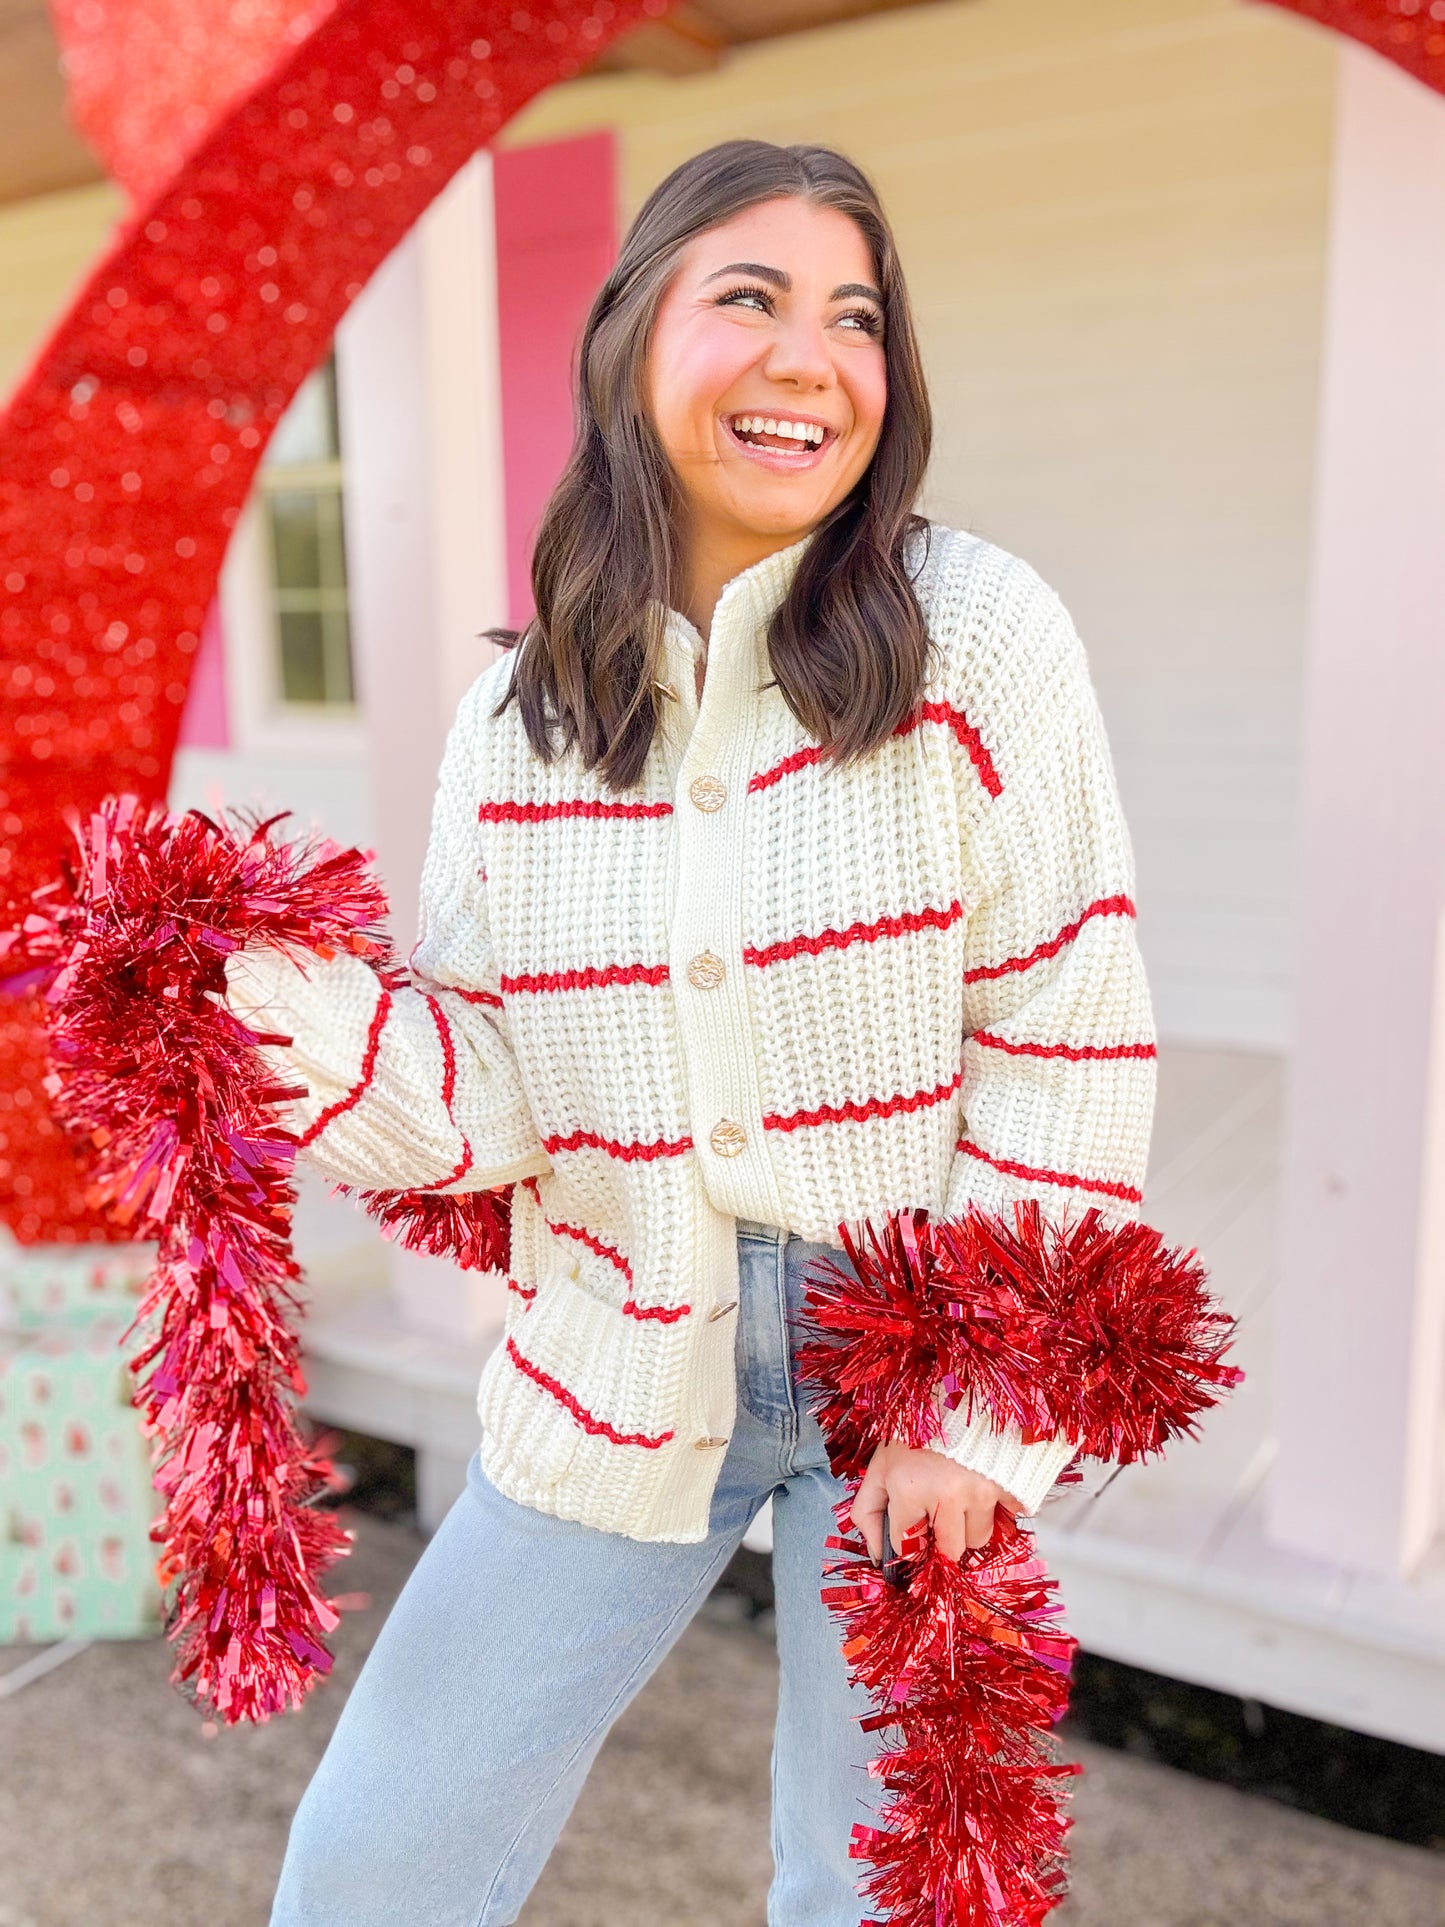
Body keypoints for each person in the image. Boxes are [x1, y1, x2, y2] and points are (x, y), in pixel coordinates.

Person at [232, 139, 1156, 1927]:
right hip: (615, 1334)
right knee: (373, 1866)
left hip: (912, 1358)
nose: (810, 356)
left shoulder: (973, 635)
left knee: (874, 1890)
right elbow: (491, 1087)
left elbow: (1067, 1033)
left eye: (855, 317)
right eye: (748, 297)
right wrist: (256, 1008)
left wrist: (978, 1416)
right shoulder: (520, 720)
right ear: (629, 337)